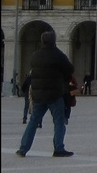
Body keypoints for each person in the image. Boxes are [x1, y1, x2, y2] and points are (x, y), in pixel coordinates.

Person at [15, 30, 75, 158]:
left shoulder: (35, 55)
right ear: (54, 41)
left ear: (42, 41)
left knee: (33, 122)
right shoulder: (58, 55)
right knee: (59, 121)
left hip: (38, 94)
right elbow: (70, 69)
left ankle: (23, 148)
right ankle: (58, 148)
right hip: (54, 94)